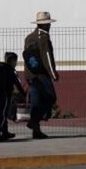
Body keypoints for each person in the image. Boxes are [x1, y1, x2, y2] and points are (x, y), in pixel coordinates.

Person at [24, 11, 59, 139]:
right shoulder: (44, 38)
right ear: (46, 25)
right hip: (42, 74)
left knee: (36, 102)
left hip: (30, 75)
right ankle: (33, 122)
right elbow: (47, 57)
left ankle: (36, 130)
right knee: (51, 97)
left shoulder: (29, 37)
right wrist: (53, 73)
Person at [0, 52, 25, 141]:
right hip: (5, 94)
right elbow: (17, 83)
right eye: (15, 61)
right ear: (12, 61)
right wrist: (24, 94)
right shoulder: (9, 70)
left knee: (2, 113)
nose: (16, 64)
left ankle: (5, 131)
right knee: (3, 114)